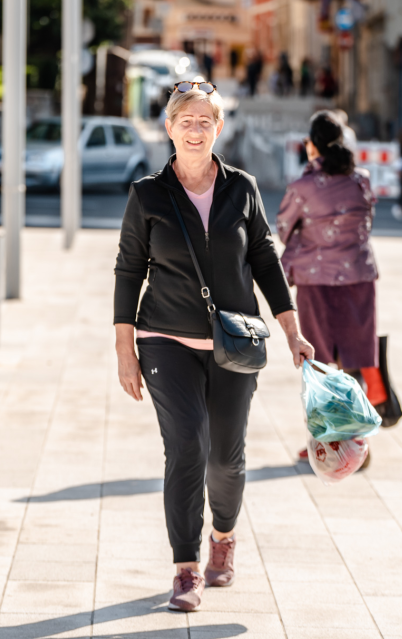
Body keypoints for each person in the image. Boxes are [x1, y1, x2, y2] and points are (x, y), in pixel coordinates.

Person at [114, 81, 314, 612]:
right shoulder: (148, 195)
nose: (196, 129)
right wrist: (125, 348)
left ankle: (223, 539)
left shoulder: (242, 188)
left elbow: (267, 261)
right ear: (169, 128)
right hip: (165, 341)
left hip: (233, 344)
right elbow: (129, 269)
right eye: (186, 120)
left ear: (219, 127)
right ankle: (185, 569)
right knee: (186, 448)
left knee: (225, 457)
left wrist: (292, 330)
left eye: (206, 120)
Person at [275, 110, 386, 463]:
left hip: (316, 281)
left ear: (312, 146)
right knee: (353, 361)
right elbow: (366, 222)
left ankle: (327, 447)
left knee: (320, 363)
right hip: (358, 279)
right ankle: (359, 448)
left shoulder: (302, 188)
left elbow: (282, 228)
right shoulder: (362, 180)